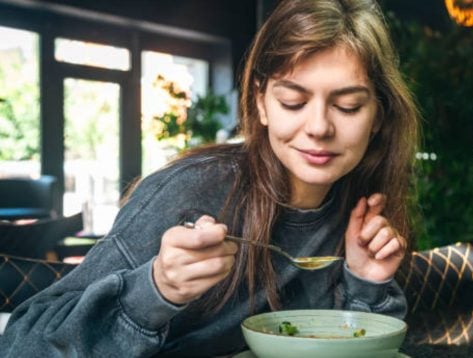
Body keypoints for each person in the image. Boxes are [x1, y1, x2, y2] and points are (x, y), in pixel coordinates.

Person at [0, 0, 419, 356]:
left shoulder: (360, 206)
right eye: (293, 101)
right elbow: (22, 343)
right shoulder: (193, 192)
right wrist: (156, 289)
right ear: (261, 103)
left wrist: (366, 283)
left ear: (378, 115)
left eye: (347, 107)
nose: (319, 127)